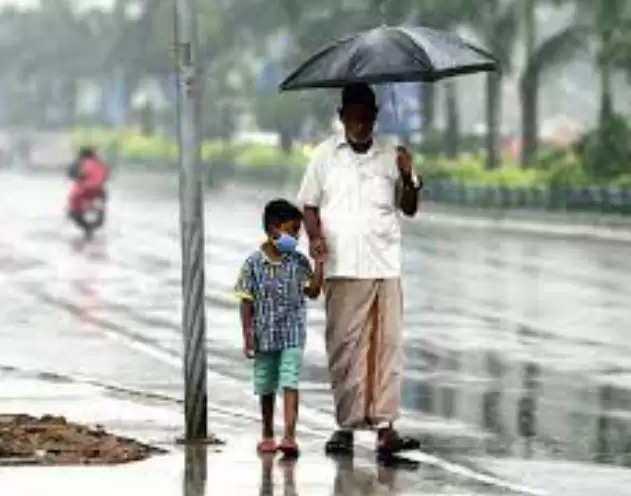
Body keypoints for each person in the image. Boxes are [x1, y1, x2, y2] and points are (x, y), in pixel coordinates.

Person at [296, 83, 423, 456]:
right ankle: (346, 428)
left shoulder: (391, 155)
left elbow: (410, 207)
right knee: (344, 348)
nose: (360, 123)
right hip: (341, 267)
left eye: (367, 117)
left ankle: (386, 429)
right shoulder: (324, 156)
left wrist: (409, 175)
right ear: (342, 118)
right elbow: (308, 205)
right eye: (353, 116)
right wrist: (316, 238)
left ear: (375, 117)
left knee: (386, 348)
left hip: (384, 265)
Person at [235, 199, 324, 457]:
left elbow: (314, 291)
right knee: (265, 385)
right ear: (274, 229)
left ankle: (289, 436)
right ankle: (267, 432)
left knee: (290, 380)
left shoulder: (298, 262)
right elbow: (246, 302)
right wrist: (248, 336)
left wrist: (319, 264)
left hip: (292, 334)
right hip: (264, 336)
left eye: (298, 231)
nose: (296, 236)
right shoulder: (253, 264)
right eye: (292, 229)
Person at [67, 147, 109, 229]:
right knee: (103, 202)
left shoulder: (80, 162)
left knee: (72, 208)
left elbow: (72, 174)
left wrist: (79, 178)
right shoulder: (100, 164)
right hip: (98, 191)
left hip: (82, 190)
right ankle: (100, 217)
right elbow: (106, 176)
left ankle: (75, 217)